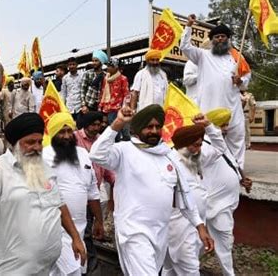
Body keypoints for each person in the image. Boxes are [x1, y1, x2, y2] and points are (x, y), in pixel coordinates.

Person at [89, 104, 214, 275]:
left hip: (160, 233)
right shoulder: (124, 151)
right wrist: (117, 123)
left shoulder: (168, 156)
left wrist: (199, 226)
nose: (154, 131)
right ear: (139, 129)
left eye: (157, 127)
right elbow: (96, 155)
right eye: (149, 127)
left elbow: (184, 196)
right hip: (133, 232)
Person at [0, 113, 87, 274]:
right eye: (30, 142)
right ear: (15, 144)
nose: (37, 147)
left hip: (46, 267)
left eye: (39, 142)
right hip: (10, 269)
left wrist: (75, 237)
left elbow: (58, 204)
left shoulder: (44, 167)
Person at [180, 15, 252, 169]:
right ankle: (208, 174)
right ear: (212, 40)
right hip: (209, 109)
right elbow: (185, 47)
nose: (220, 39)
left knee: (237, 142)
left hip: (233, 109)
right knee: (208, 143)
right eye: (217, 36)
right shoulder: (202, 56)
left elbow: (246, 79)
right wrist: (188, 26)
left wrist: (240, 81)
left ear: (228, 39)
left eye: (223, 36)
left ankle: (238, 174)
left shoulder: (236, 60)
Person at [163, 118, 226, 276]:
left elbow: (220, 148)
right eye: (195, 145)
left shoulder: (195, 159)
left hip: (197, 225)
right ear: (183, 144)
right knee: (190, 269)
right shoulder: (169, 164)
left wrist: (208, 126)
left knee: (170, 269)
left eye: (200, 145)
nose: (199, 149)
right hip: (180, 227)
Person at [42, 112, 103, 276]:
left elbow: (93, 192)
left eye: (69, 131)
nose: (67, 136)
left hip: (80, 228)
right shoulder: (45, 156)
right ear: (53, 134)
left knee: (57, 272)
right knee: (73, 270)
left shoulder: (83, 154)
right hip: (55, 227)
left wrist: (99, 220)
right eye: (62, 132)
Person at [204, 108, 252, 276]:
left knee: (223, 243)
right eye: (222, 125)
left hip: (224, 204)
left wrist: (242, 179)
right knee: (196, 246)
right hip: (212, 205)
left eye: (227, 125)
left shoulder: (223, 145)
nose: (226, 129)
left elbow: (231, 164)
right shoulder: (203, 145)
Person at [74, 111, 115, 272]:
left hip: (93, 196)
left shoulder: (101, 143)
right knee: (82, 233)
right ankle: (90, 266)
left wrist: (114, 184)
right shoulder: (74, 138)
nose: (97, 127)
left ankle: (84, 266)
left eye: (100, 125)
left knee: (87, 231)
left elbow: (109, 169)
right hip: (76, 196)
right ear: (86, 124)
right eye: (94, 124)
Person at [99, 58, 129, 131]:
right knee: (112, 130)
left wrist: (125, 106)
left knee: (121, 130)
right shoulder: (106, 79)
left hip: (118, 108)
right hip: (108, 108)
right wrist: (101, 106)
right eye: (108, 66)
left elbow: (126, 94)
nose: (108, 68)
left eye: (110, 66)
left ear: (115, 67)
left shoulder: (123, 78)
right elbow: (103, 92)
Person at [81, 50, 108, 115]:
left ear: (101, 62)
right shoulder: (87, 73)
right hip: (88, 105)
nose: (94, 63)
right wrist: (84, 105)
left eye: (96, 61)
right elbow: (82, 90)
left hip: (100, 106)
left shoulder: (106, 75)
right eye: (93, 61)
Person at [61, 57, 83, 122]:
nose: (72, 66)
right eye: (70, 65)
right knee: (71, 127)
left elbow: (83, 91)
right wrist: (63, 107)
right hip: (69, 107)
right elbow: (64, 93)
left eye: (73, 64)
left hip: (80, 107)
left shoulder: (82, 75)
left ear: (77, 65)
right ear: (68, 66)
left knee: (80, 126)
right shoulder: (65, 78)